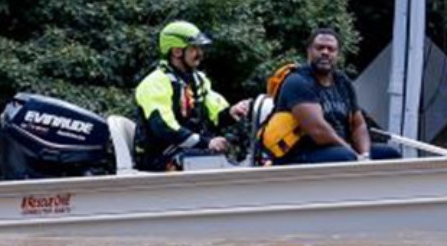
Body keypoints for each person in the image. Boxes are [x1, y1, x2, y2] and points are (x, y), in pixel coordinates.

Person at [264, 29, 402, 164]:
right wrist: (353, 154)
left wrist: (365, 156)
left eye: (331, 49)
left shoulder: (342, 82)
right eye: (319, 48)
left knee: (390, 154)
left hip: (338, 150)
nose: (325, 52)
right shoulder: (297, 81)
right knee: (346, 157)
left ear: (338, 54)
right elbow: (318, 131)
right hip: (301, 153)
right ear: (309, 51)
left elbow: (358, 124)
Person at [132, 20, 250, 172]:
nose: (200, 53)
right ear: (176, 51)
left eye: (200, 48)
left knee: (225, 155)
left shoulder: (197, 79)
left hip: (182, 151)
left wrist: (232, 112)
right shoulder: (155, 82)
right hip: (158, 157)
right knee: (210, 160)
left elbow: (213, 115)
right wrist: (206, 143)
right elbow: (164, 128)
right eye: (194, 48)